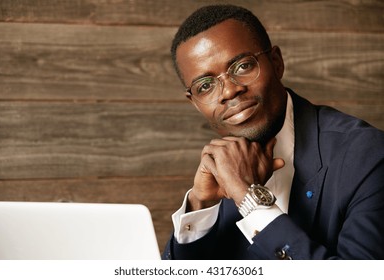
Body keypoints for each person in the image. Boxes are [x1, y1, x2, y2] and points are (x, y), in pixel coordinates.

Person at [162, 4, 384, 260]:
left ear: (276, 63)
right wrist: (200, 205)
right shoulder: (221, 169)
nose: (228, 92)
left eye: (242, 67)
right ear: (195, 102)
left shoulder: (368, 156)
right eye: (205, 86)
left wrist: (250, 200)